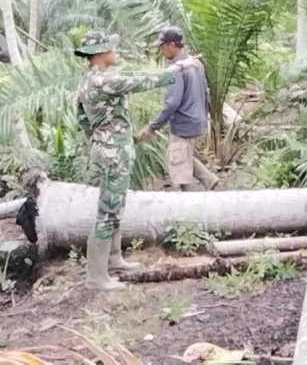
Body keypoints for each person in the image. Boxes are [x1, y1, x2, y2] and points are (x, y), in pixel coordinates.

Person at [74, 30, 202, 291]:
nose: (114, 50)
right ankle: (96, 276)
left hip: (112, 150)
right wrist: (179, 66)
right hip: (113, 154)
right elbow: (140, 81)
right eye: (110, 47)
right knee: (108, 210)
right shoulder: (100, 82)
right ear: (99, 53)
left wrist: (99, 138)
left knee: (116, 204)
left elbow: (82, 119)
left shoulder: (88, 81)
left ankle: (113, 258)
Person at [138, 27, 220, 191]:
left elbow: (172, 103)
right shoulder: (196, 64)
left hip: (183, 124)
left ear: (171, 45)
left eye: (162, 46)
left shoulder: (176, 69)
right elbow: (205, 93)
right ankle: (208, 178)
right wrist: (203, 117)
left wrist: (152, 126)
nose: (161, 51)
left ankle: (190, 208)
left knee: (180, 171)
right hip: (197, 121)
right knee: (180, 155)